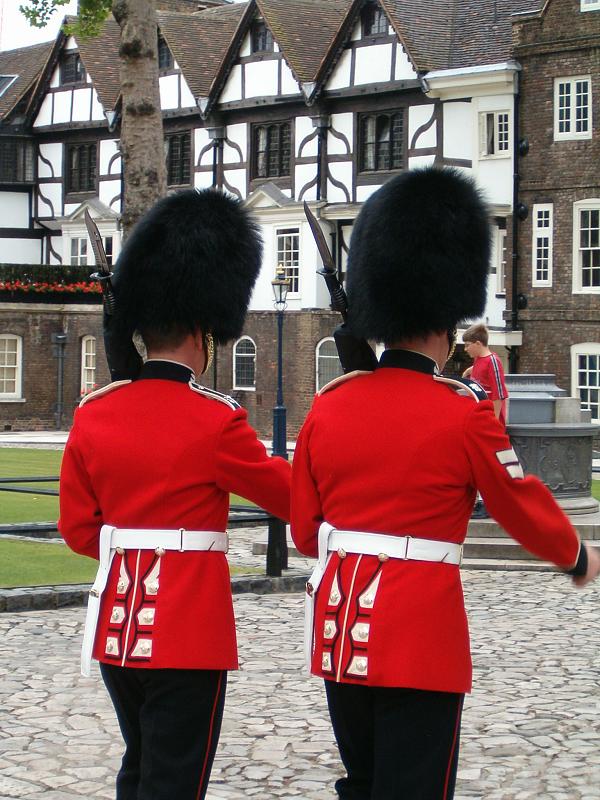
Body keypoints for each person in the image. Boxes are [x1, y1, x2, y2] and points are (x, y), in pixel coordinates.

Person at [290, 167, 600, 800]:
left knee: (363, 786)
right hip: (418, 636)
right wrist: (574, 553)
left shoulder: (328, 405)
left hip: (341, 630)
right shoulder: (461, 411)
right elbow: (516, 501)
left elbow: (303, 532)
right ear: (445, 317)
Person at [59, 188, 291, 800]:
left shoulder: (94, 414)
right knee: (175, 780)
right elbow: (293, 498)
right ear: (202, 330)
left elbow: (79, 530)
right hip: (187, 630)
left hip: (117, 626)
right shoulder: (215, 419)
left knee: (140, 768)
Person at [462, 323, 509, 425]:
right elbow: (479, 369)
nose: (465, 349)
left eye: (467, 345)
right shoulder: (478, 359)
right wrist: (467, 371)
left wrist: (494, 422)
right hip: (479, 415)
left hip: (489, 418)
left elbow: (499, 395)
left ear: (478, 344)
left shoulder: (493, 361)